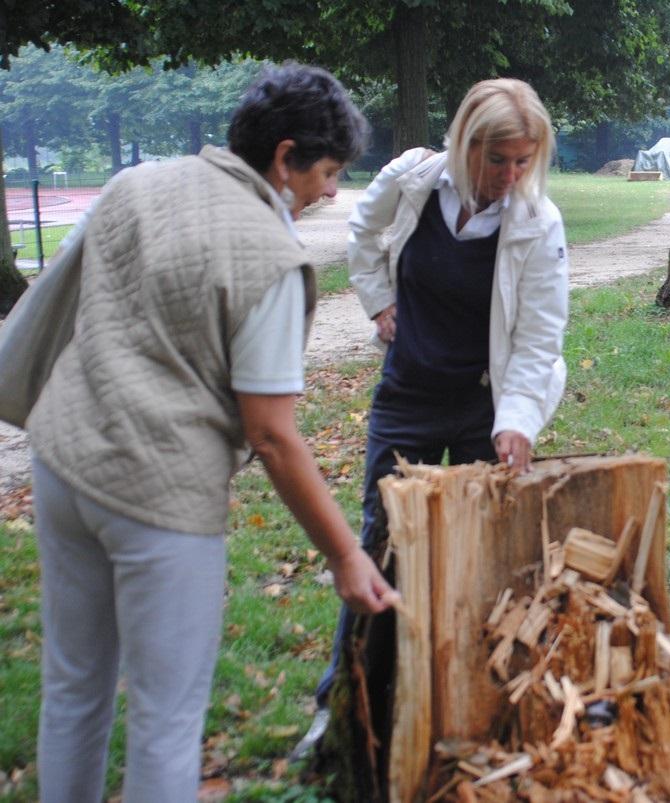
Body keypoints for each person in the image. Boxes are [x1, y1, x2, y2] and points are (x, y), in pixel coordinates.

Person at [0, 64, 400, 803]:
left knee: (73, 686)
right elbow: (273, 435)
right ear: (285, 158)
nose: (330, 192)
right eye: (327, 172)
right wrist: (346, 554)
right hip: (159, 503)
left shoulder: (137, 184)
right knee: (165, 717)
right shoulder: (271, 261)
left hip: (63, 466)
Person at [295, 77, 568, 753]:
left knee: (483, 550)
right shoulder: (412, 180)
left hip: (485, 401)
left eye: (522, 161)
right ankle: (345, 705)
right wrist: (377, 299)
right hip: (409, 395)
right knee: (381, 543)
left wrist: (518, 421)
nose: (509, 175)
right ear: (464, 143)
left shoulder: (538, 223)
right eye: (497, 158)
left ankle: (475, 705)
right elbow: (364, 231)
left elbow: (539, 336)